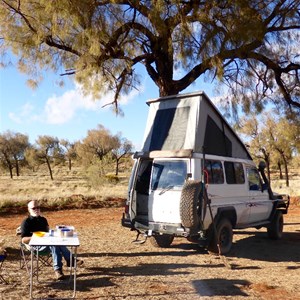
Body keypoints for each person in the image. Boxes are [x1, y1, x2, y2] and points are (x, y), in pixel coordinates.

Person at [20, 200, 83, 280]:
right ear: (29, 210)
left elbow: (48, 232)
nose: (36, 209)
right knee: (54, 244)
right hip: (34, 245)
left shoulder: (43, 220)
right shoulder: (26, 222)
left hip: (47, 243)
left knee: (56, 243)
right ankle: (67, 262)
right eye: (34, 208)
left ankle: (59, 269)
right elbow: (23, 240)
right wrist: (36, 237)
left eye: (38, 207)